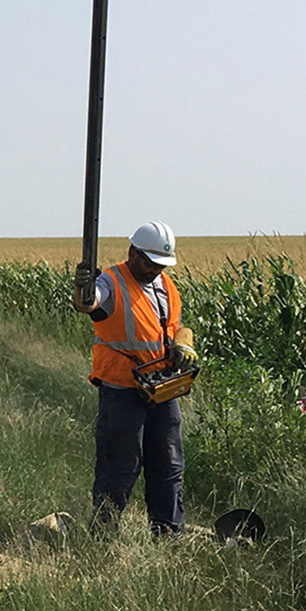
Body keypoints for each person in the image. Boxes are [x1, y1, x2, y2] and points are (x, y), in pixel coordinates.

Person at [79, 221, 190, 535]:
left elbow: (176, 326)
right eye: (151, 262)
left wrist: (184, 342)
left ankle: (168, 537)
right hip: (122, 390)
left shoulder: (165, 285)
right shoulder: (111, 281)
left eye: (161, 264)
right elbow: (90, 304)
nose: (156, 269)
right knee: (119, 467)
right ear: (133, 253)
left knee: (168, 466)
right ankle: (103, 536)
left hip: (162, 388)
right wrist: (83, 291)